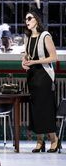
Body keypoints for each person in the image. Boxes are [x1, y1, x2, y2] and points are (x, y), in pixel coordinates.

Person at [21, 9, 60, 153]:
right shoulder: (27, 37)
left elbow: (54, 57)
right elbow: (26, 56)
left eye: (29, 18)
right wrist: (24, 62)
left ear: (36, 19)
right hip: (32, 76)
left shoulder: (45, 36)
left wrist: (34, 61)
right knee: (35, 109)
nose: (27, 21)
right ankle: (39, 141)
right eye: (25, 19)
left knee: (46, 109)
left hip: (45, 76)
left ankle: (54, 140)